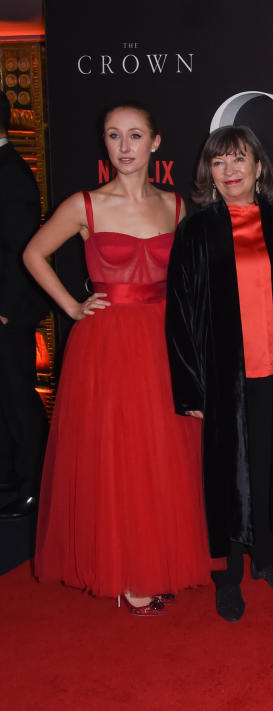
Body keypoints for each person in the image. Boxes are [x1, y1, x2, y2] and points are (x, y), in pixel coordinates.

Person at [26, 102, 210, 614]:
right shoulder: (85, 204)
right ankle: (127, 574)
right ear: (104, 144)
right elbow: (33, 254)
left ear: (155, 143)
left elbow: (189, 282)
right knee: (114, 456)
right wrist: (71, 306)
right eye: (113, 136)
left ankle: (151, 558)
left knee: (158, 456)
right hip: (104, 343)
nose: (124, 147)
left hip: (161, 340)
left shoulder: (174, 206)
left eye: (134, 136)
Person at [166, 125, 273, 623]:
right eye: (219, 162)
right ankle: (228, 576)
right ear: (209, 171)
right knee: (229, 477)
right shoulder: (196, 229)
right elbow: (180, 313)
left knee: (271, 466)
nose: (229, 171)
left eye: (239, 160)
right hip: (221, 373)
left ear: (259, 168)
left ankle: (266, 560)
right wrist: (191, 385)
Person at [0, 93, 48, 519]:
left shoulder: (11, 173)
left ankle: (34, 486)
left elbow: (19, 249)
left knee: (19, 398)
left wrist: (5, 309)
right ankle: (13, 480)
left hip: (8, 310)